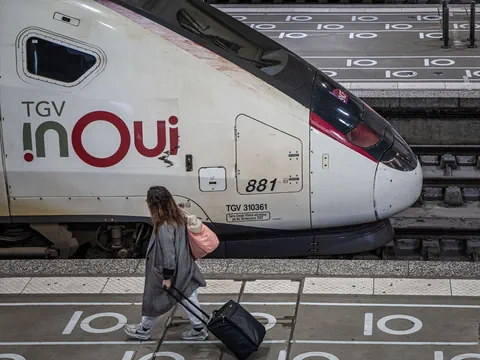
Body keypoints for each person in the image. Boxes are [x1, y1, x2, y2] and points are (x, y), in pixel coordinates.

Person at [124, 185, 208, 341]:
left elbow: (169, 254)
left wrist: (167, 277)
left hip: (169, 270)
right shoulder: (178, 216)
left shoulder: (164, 225)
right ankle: (199, 328)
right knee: (188, 297)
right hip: (185, 266)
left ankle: (144, 329)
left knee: (156, 299)